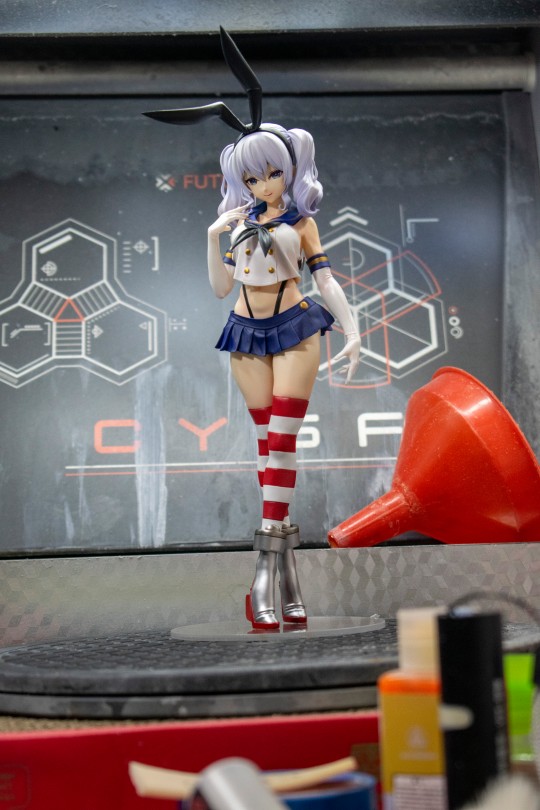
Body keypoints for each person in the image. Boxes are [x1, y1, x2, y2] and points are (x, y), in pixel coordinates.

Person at [145, 29, 360, 630]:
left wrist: (352, 330)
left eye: (271, 174)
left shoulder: (303, 222)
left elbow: (325, 280)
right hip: (244, 330)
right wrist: (213, 236)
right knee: (266, 446)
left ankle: (265, 570)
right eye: (253, 178)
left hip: (295, 326)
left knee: (282, 444)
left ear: (288, 170)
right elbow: (221, 288)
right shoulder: (235, 222)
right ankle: (285, 580)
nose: (264, 186)